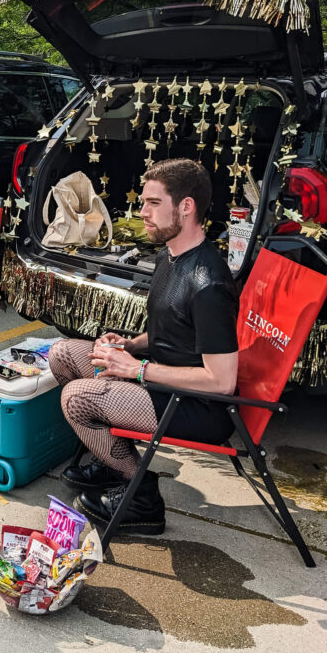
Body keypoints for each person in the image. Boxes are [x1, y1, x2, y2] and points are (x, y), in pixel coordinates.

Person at [48, 158, 239, 536]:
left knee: (77, 398)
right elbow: (176, 328)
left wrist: (135, 369)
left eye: (153, 203)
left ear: (186, 207)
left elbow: (222, 382)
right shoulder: (172, 253)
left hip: (197, 406)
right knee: (64, 354)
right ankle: (112, 464)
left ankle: (142, 496)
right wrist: (130, 345)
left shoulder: (208, 283)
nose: (142, 212)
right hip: (162, 382)